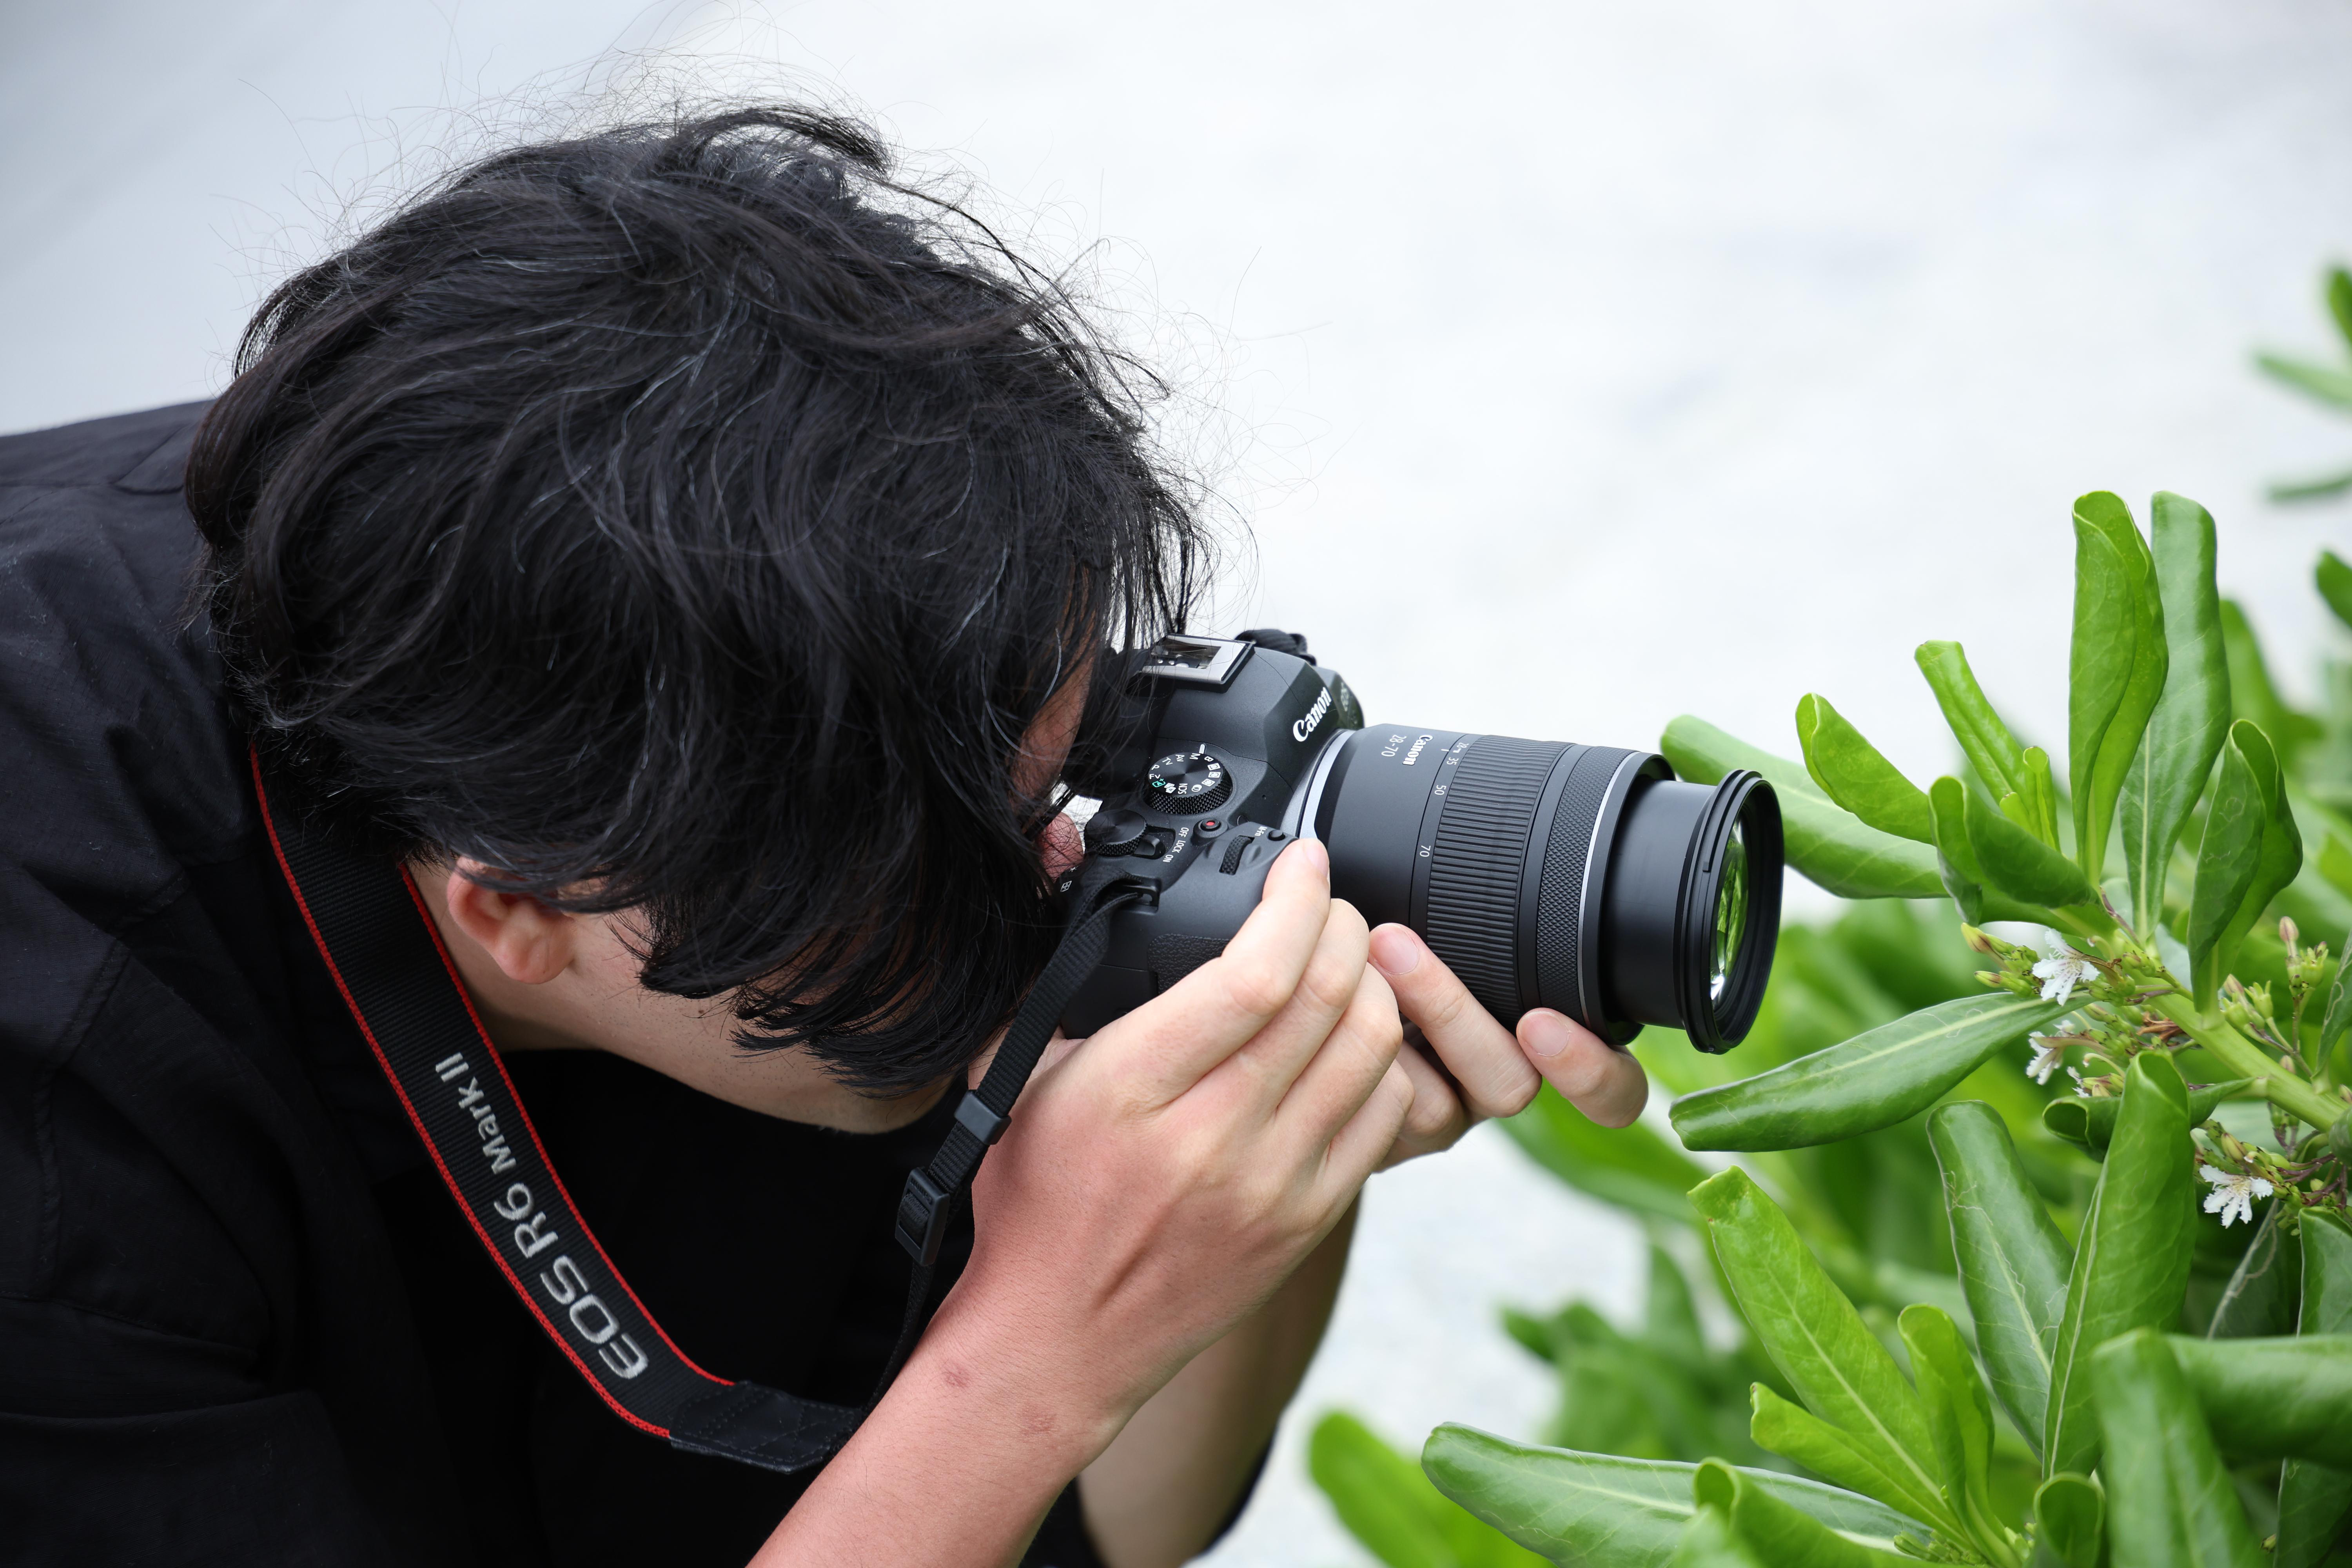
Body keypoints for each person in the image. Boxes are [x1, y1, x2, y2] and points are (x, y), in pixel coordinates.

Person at [0, 104, 1646, 1568]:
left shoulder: (623, 675)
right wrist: (1029, 1357)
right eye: (976, 839)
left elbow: (1110, 1529)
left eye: (1075, 763)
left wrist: (1272, 1129)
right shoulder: (66, 1176)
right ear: (526, 911)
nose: (1072, 861)